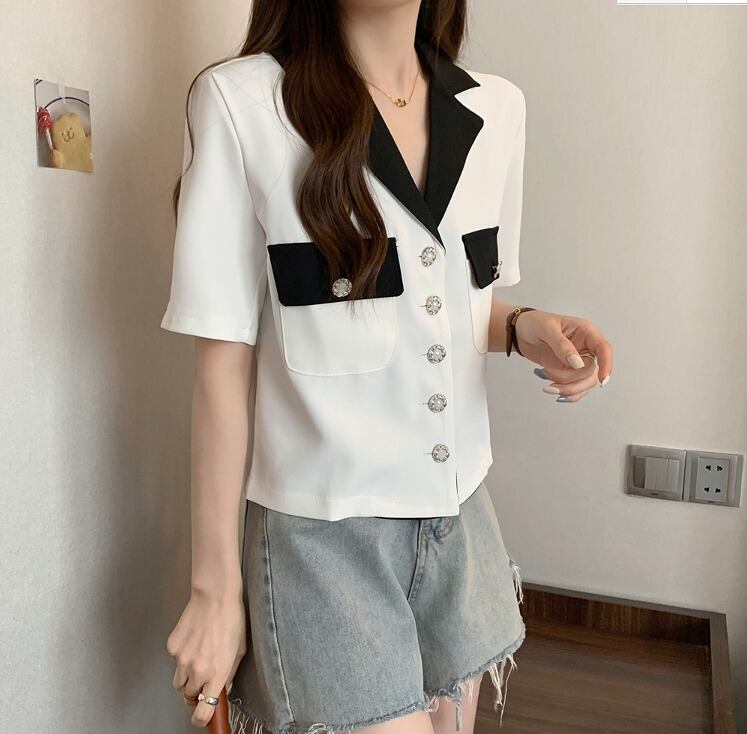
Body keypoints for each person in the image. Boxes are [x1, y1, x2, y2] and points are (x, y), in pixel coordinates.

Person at [161, 1, 614, 733]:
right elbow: (222, 359)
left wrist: (519, 326)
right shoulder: (242, 104)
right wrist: (215, 590)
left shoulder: (495, 108)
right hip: (323, 537)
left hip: (460, 514)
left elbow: (448, 301)